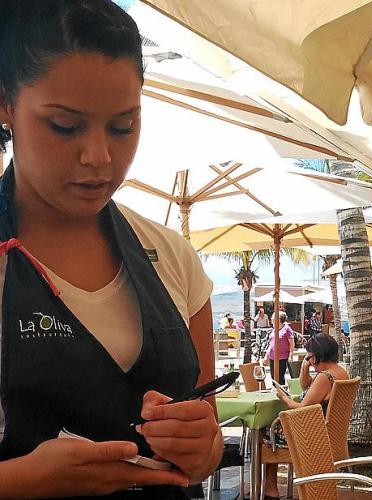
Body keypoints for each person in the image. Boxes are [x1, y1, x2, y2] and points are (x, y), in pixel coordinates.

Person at [0, 1, 222, 496]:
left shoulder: (173, 256)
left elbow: (205, 450)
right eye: (65, 126)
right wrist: (19, 481)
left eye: (123, 127)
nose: (99, 157)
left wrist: (200, 446)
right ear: (6, 103)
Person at [266, 335, 348, 498]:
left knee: (266, 434)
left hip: (313, 437)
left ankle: (270, 489)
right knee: (272, 432)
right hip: (330, 435)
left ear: (317, 356)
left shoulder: (325, 377)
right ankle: (270, 487)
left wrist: (284, 398)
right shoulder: (339, 372)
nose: (309, 359)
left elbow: (302, 408)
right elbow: (306, 387)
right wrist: (305, 366)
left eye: (309, 355)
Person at [267, 311, 295, 385]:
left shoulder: (286, 329)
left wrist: (291, 355)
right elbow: (270, 344)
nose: (271, 319)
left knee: (279, 377)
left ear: (278, 318)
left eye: (273, 317)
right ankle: (276, 390)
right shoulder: (274, 329)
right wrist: (266, 356)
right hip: (272, 357)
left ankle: (281, 390)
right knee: (273, 377)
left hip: (282, 357)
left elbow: (291, 343)